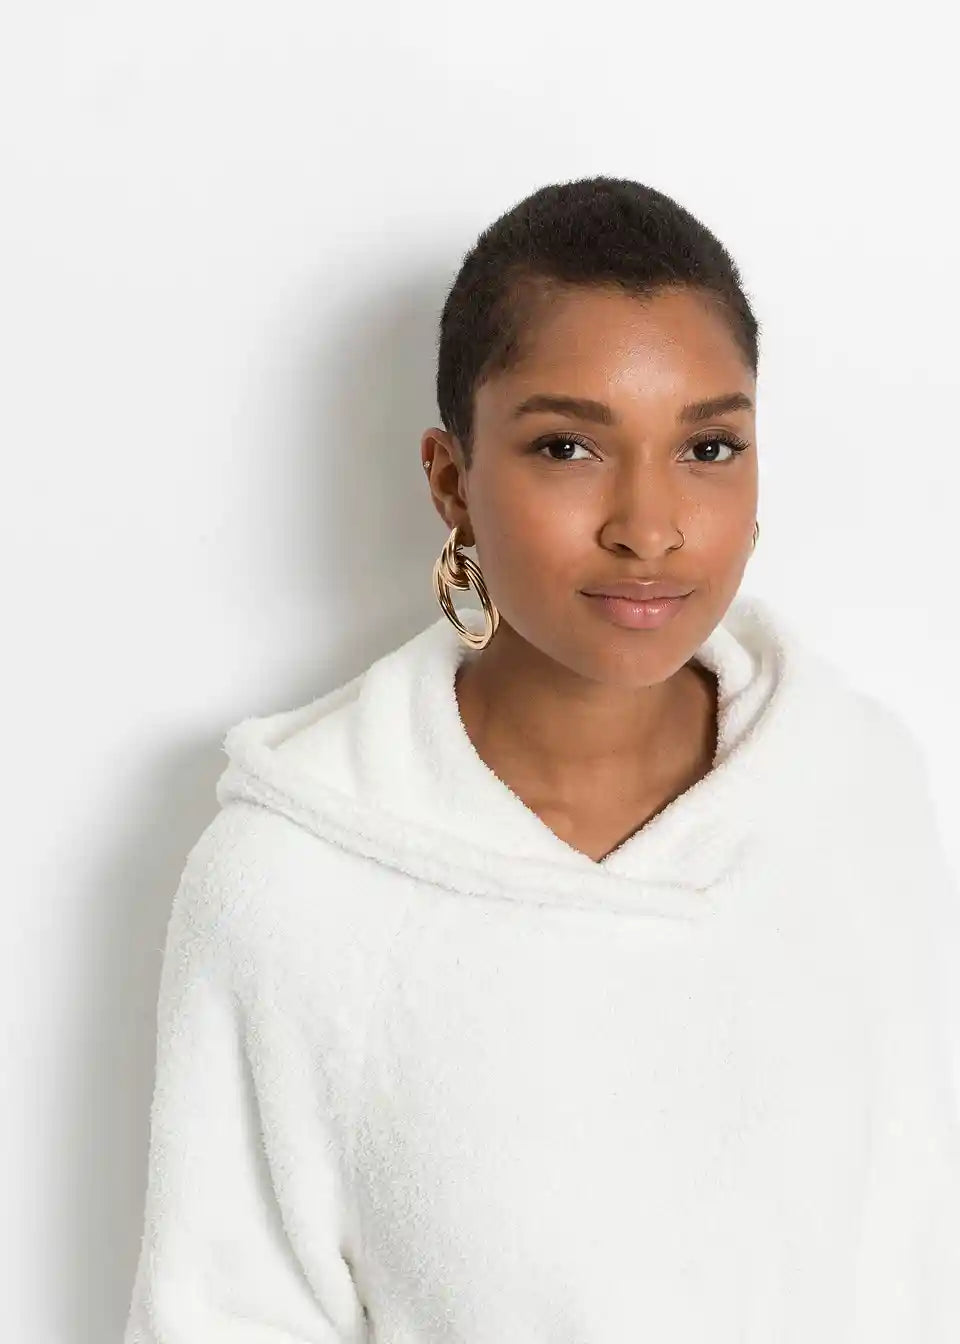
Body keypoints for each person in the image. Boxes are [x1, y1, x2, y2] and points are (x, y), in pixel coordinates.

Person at [123, 177, 960, 1342]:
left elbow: (919, 1255)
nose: (649, 526)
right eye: (569, 446)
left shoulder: (856, 792)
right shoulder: (290, 883)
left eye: (708, 446)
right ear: (451, 481)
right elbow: (222, 1314)